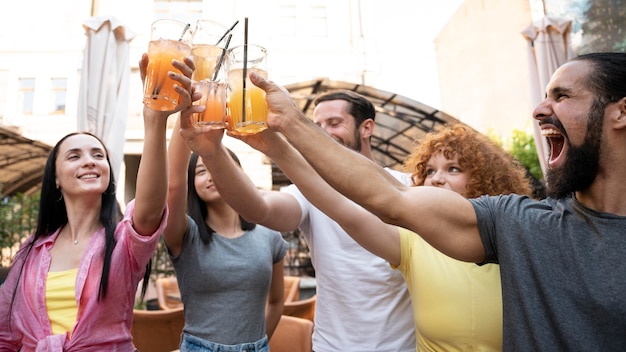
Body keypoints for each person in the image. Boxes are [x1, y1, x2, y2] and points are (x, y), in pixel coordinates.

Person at [247, 52, 626, 350]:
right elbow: (390, 197)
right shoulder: (521, 224)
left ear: (621, 112)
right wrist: (287, 130)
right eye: (430, 171)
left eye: (561, 96)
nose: (540, 109)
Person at [221, 122, 533, 351]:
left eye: (453, 169)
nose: (437, 179)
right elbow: (342, 207)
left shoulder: (518, 235)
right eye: (430, 171)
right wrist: (277, 148)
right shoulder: (413, 241)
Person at [178, 90, 415, 351]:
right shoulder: (307, 191)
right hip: (331, 347)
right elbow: (258, 209)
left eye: (334, 123)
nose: (323, 132)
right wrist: (214, 153)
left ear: (367, 127)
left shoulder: (409, 187)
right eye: (317, 125)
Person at [0, 53, 194, 351]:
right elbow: (6, 334)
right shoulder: (30, 251)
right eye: (74, 156)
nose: (89, 161)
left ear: (107, 172)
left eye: (98, 155)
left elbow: (153, 205)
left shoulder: (124, 243)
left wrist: (155, 119)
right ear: (55, 178)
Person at [163, 113, 287, 351]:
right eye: (200, 171)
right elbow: (172, 186)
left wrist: (256, 345)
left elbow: (277, 301)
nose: (211, 174)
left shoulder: (269, 235)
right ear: (193, 185)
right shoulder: (185, 235)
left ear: (238, 174)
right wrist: (186, 116)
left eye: (218, 166)